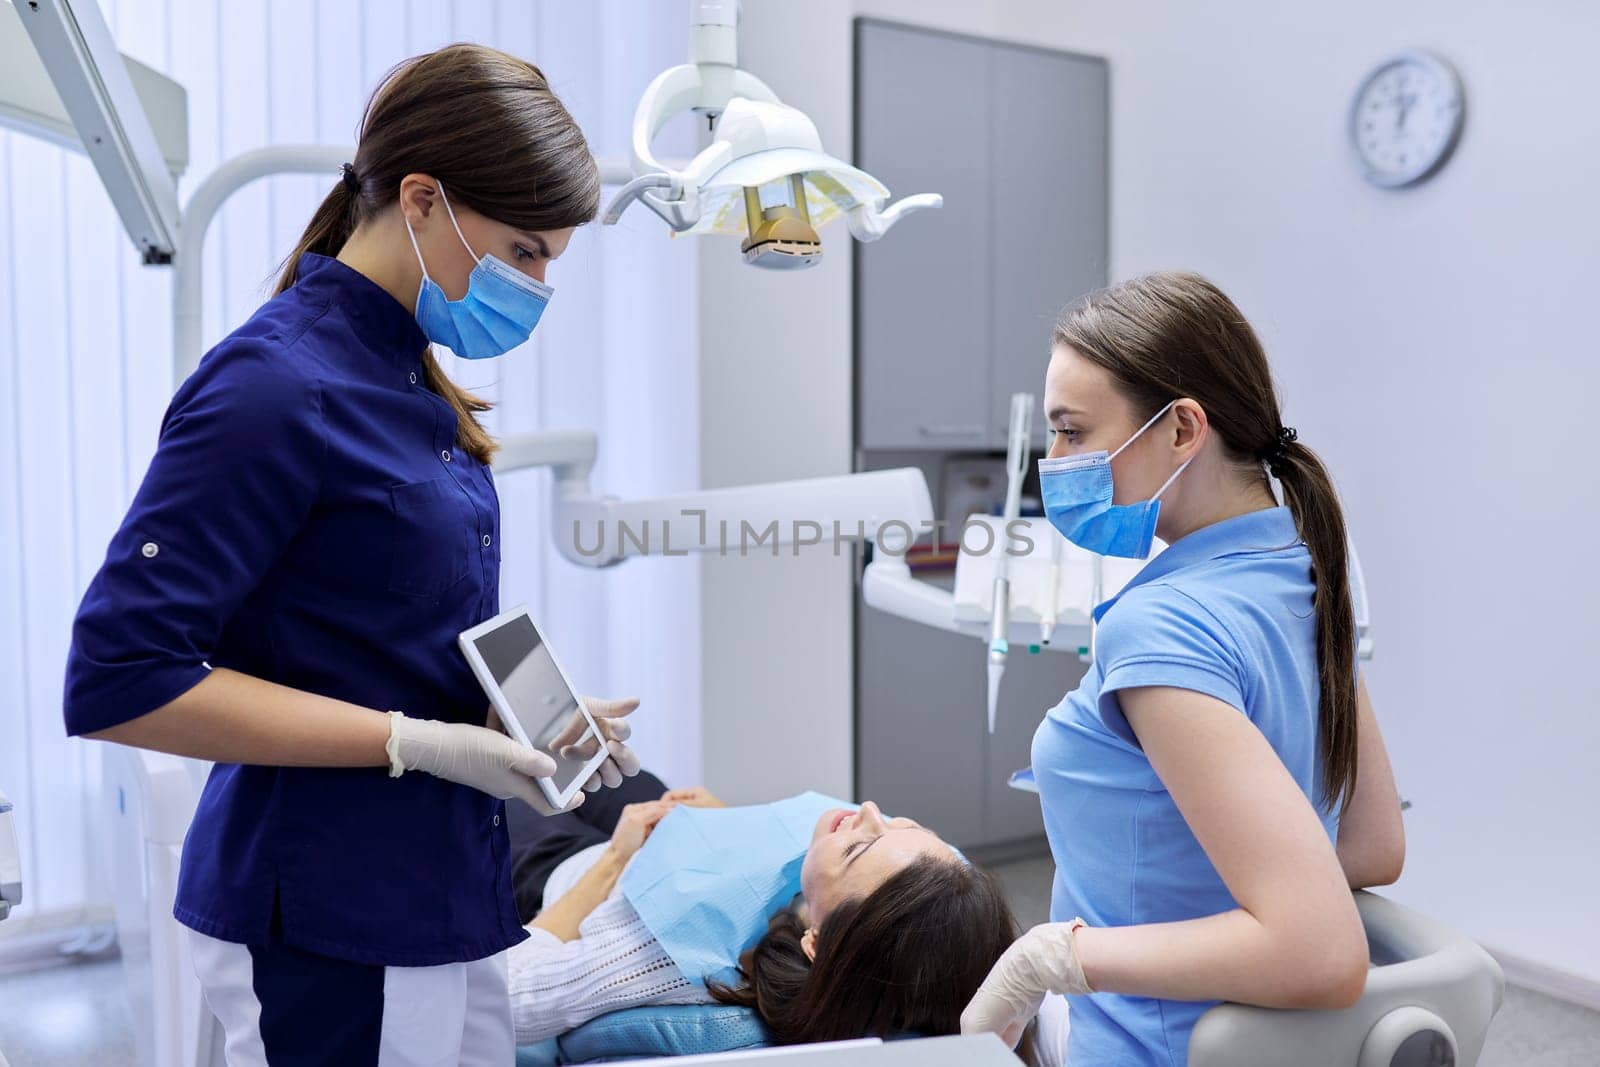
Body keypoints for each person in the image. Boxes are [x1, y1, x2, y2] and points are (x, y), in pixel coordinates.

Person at [62, 44, 640, 1066]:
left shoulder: (403, 373)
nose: (539, 286)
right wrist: (412, 741)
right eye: (524, 251)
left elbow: (375, 632)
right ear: (420, 199)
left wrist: (519, 721)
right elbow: (120, 677)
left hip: (437, 891)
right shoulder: (272, 387)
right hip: (328, 911)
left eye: (551, 257)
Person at [963, 272, 1406, 1065]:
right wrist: (1237, 874)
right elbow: (1371, 844)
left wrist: (1052, 956)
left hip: (1145, 1041)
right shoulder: (1306, 573)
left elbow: (1320, 953)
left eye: (1071, 431)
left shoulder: (1161, 627)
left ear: (1182, 429)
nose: (1053, 461)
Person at [503, 776, 1067, 1066]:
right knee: (601, 757)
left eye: (856, 850)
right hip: (668, 849)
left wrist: (614, 860)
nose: (869, 812)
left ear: (817, 942)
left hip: (575, 879)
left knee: (517, 786)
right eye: (903, 825)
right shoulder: (943, 942)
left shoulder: (674, 956)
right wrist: (727, 831)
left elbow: (511, 1001)